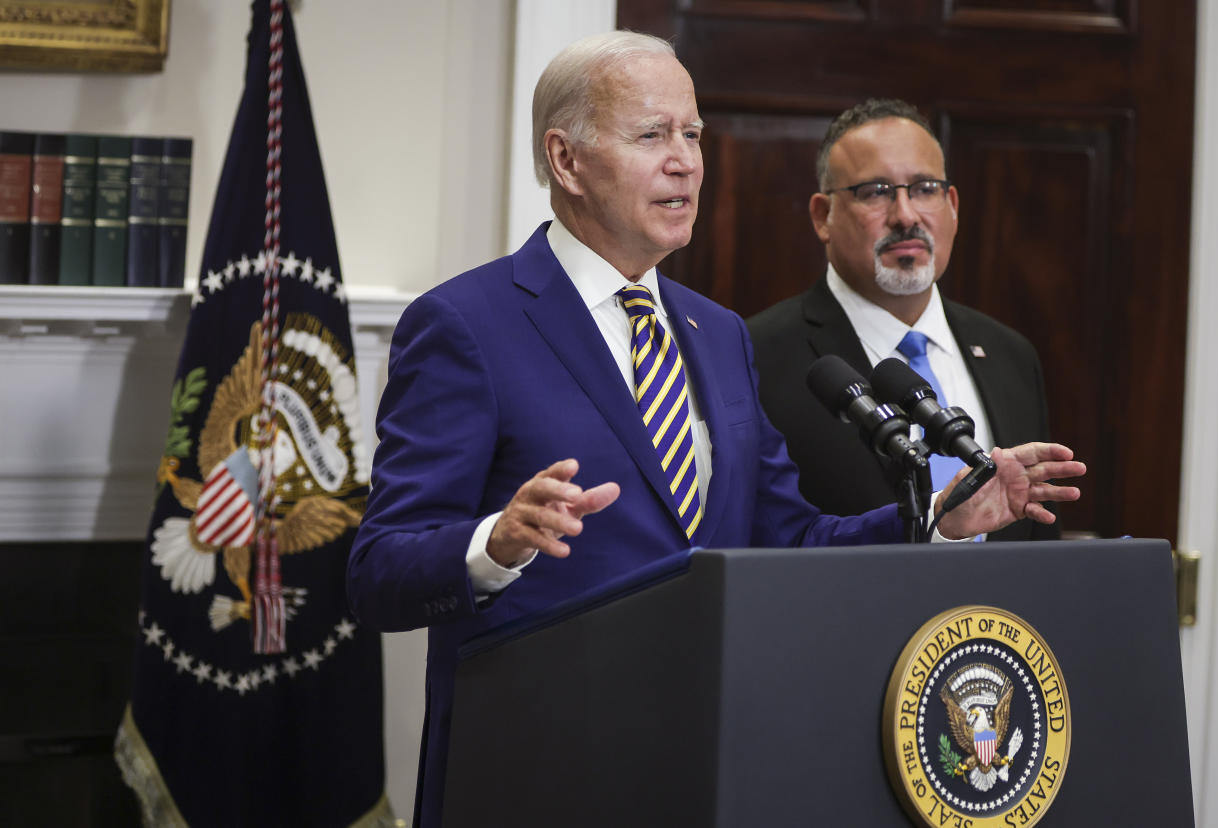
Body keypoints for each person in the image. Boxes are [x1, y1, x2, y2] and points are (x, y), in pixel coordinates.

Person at [347, 38, 1083, 827]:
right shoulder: (466, 325)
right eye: (652, 136)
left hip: (703, 768)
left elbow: (788, 538)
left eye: (694, 136)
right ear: (565, 160)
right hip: (537, 772)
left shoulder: (716, 333)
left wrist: (937, 519)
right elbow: (377, 570)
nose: (686, 163)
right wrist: (494, 543)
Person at [748, 98, 1059, 541]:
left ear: (952, 205)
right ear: (823, 216)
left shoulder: (1010, 354)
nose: (906, 216)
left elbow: (1037, 534)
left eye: (925, 188)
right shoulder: (758, 355)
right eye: (875, 192)